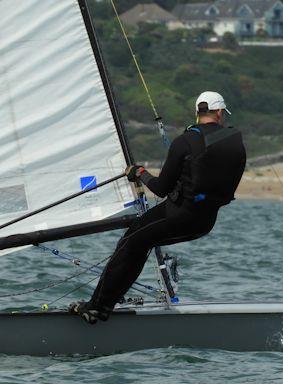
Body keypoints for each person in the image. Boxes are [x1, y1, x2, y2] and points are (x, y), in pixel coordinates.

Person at [72, 91, 247, 324]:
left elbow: (161, 188)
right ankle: (104, 305)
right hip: (206, 221)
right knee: (140, 242)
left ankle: (97, 307)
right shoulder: (236, 143)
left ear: (198, 113)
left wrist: (140, 173)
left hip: (178, 216)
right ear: (219, 112)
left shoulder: (184, 142)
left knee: (129, 242)